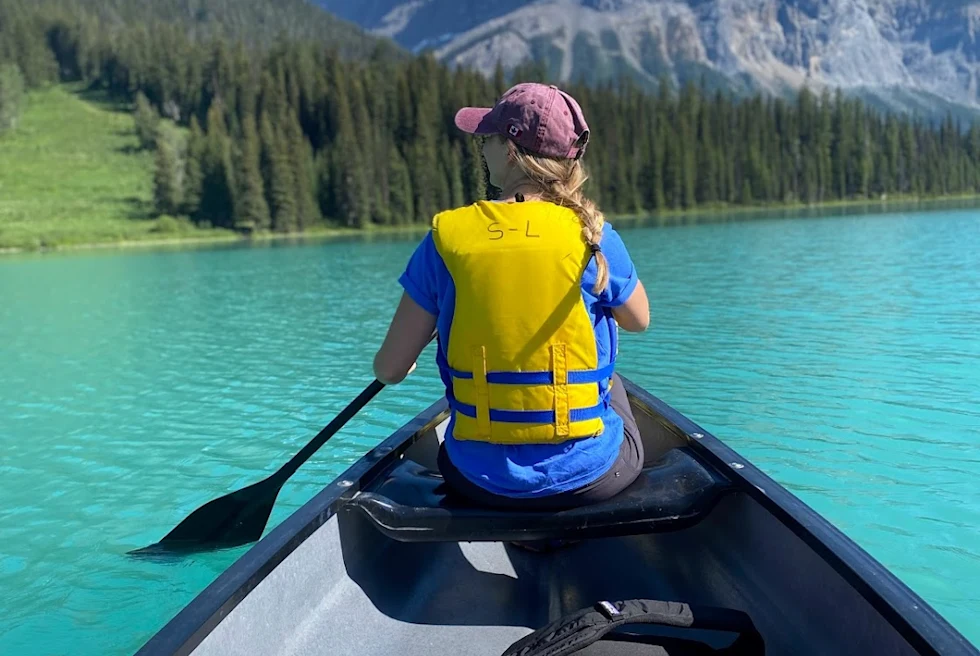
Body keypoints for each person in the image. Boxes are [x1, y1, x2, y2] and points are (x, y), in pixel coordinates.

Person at [373, 82, 650, 510]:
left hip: (477, 480)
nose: (481, 149)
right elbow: (638, 320)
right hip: (593, 477)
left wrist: (411, 354)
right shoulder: (593, 234)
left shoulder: (446, 240)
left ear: (508, 151)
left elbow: (389, 369)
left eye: (487, 138)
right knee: (611, 379)